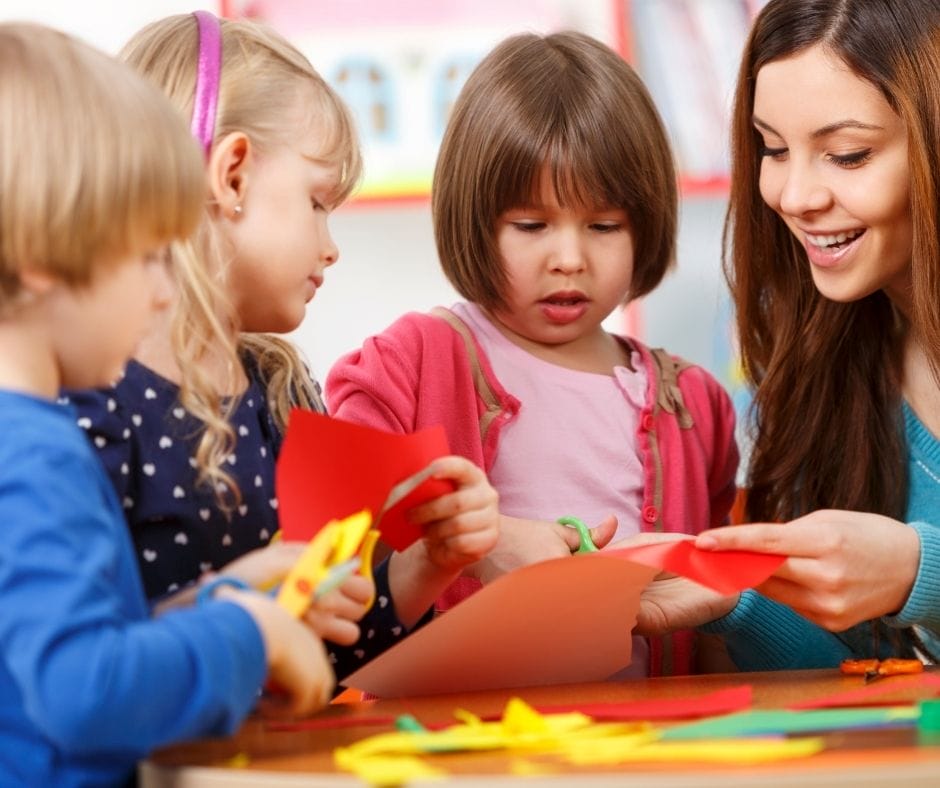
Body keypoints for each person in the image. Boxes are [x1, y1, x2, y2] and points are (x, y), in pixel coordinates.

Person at [64, 12, 499, 679]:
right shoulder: (86, 405)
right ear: (233, 175)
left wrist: (426, 564)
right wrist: (238, 613)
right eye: (318, 202)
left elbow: (330, 653)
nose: (331, 246)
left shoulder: (281, 397)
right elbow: (76, 667)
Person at [327, 31, 739, 677]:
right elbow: (333, 524)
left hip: (649, 746)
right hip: (462, 748)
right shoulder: (411, 361)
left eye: (604, 226)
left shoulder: (692, 404)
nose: (569, 258)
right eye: (531, 225)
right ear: (475, 219)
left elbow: (715, 621)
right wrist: (482, 540)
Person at [0, 22, 335, 786]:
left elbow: (67, 653)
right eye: (150, 254)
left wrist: (217, 599)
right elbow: (83, 693)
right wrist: (243, 631)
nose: (162, 289)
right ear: (44, 263)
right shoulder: (35, 452)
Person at [636, 0, 940, 670]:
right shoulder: (829, 370)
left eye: (847, 155)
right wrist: (733, 600)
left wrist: (922, 571)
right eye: (772, 149)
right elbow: (870, 672)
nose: (795, 194)